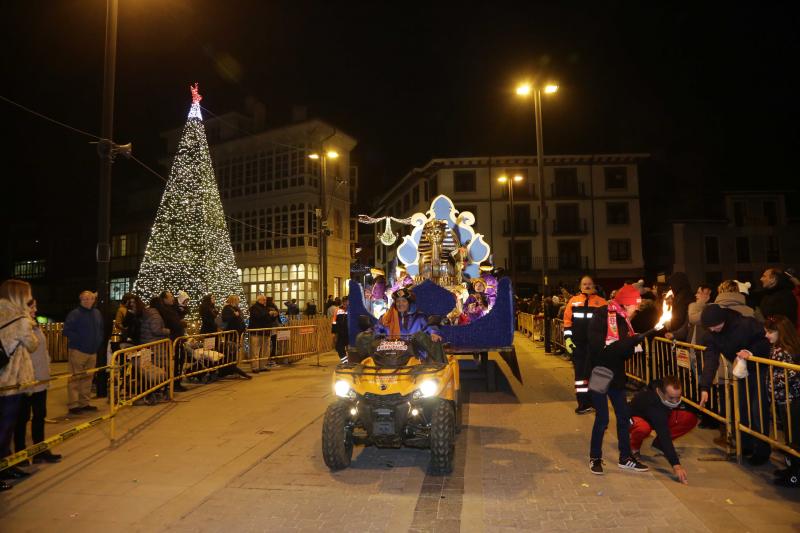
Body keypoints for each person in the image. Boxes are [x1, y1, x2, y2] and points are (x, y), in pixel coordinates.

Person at [587, 284, 652, 475]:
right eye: (634, 306)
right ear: (626, 304)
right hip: (600, 374)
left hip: (616, 376)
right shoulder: (601, 315)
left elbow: (621, 353)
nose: (637, 310)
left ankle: (625, 458)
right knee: (602, 418)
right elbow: (600, 349)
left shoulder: (625, 322)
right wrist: (630, 342)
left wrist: (631, 345)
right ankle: (595, 457)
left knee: (623, 416)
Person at [699, 304, 772, 465]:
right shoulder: (712, 334)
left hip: (759, 370)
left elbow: (765, 342)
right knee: (742, 408)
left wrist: (750, 352)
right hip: (741, 372)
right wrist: (705, 387)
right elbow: (710, 359)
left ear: (723, 320)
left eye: (716, 326)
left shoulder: (746, 324)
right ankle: (745, 445)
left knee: (757, 409)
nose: (713, 329)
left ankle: (761, 449)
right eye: (710, 327)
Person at [739, 315, 800, 486]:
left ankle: (796, 474)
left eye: (770, 332)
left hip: (790, 400)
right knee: (790, 437)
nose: (766, 335)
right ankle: (792, 469)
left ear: (781, 332)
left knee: (794, 439)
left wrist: (772, 386)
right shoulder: (778, 349)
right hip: (784, 400)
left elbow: (789, 375)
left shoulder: (783, 352)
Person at [0, 280, 38, 490]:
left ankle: (6, 465)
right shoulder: (20, 319)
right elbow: (32, 344)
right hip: (12, 380)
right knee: (6, 428)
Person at [14, 299, 62, 464]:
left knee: (40, 414)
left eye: (35, 306)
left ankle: (39, 450)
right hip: (27, 380)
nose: (35, 309)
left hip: (41, 378)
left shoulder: (34, 325)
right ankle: (19, 455)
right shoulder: (20, 326)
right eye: (32, 306)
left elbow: (42, 350)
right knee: (22, 418)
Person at [629, 376, 697, 484]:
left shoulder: (664, 386)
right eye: (671, 398)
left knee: (690, 418)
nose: (675, 401)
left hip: (657, 418)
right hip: (634, 418)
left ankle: (658, 444)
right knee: (643, 428)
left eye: (678, 397)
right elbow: (664, 434)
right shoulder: (653, 403)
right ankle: (633, 449)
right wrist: (676, 466)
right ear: (661, 392)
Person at [563, 276, 607, 414]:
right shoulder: (573, 302)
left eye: (589, 284)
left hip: (596, 345)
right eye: (584, 284)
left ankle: (597, 403)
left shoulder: (602, 303)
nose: (587, 286)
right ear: (580, 286)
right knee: (581, 375)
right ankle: (583, 403)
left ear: (594, 286)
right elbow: (567, 322)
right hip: (579, 344)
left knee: (596, 374)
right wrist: (568, 339)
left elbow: (607, 324)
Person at [368, 287, 445, 363]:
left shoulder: (419, 317)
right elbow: (377, 330)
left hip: (415, 357)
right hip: (390, 356)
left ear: (409, 303)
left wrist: (434, 333)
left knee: (419, 335)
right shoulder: (386, 318)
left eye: (404, 301)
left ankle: (440, 367)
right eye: (398, 301)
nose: (400, 304)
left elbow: (429, 327)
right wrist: (371, 333)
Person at [63, 291, 103, 415]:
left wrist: (98, 341)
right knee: (75, 379)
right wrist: (79, 340)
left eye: (90, 298)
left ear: (93, 300)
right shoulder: (75, 314)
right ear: (80, 300)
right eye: (84, 299)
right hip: (78, 351)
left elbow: (101, 329)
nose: (87, 301)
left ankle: (84, 403)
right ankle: (73, 405)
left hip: (92, 352)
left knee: (88, 379)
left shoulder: (97, 313)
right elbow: (66, 331)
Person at [249, 295, 271, 372]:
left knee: (265, 350)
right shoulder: (254, 308)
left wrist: (273, 315)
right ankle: (255, 367)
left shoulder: (265, 308)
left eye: (265, 300)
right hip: (256, 332)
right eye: (264, 300)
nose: (265, 301)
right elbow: (258, 316)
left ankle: (263, 366)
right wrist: (268, 313)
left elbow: (268, 319)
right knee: (255, 350)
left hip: (266, 332)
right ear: (259, 300)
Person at [332, 296, 350, 363]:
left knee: (350, 348)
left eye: (347, 302)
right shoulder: (337, 310)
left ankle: (351, 361)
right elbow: (334, 321)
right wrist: (334, 333)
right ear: (342, 302)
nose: (346, 303)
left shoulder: (351, 310)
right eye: (344, 302)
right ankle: (345, 361)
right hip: (340, 333)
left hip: (349, 333)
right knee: (339, 347)